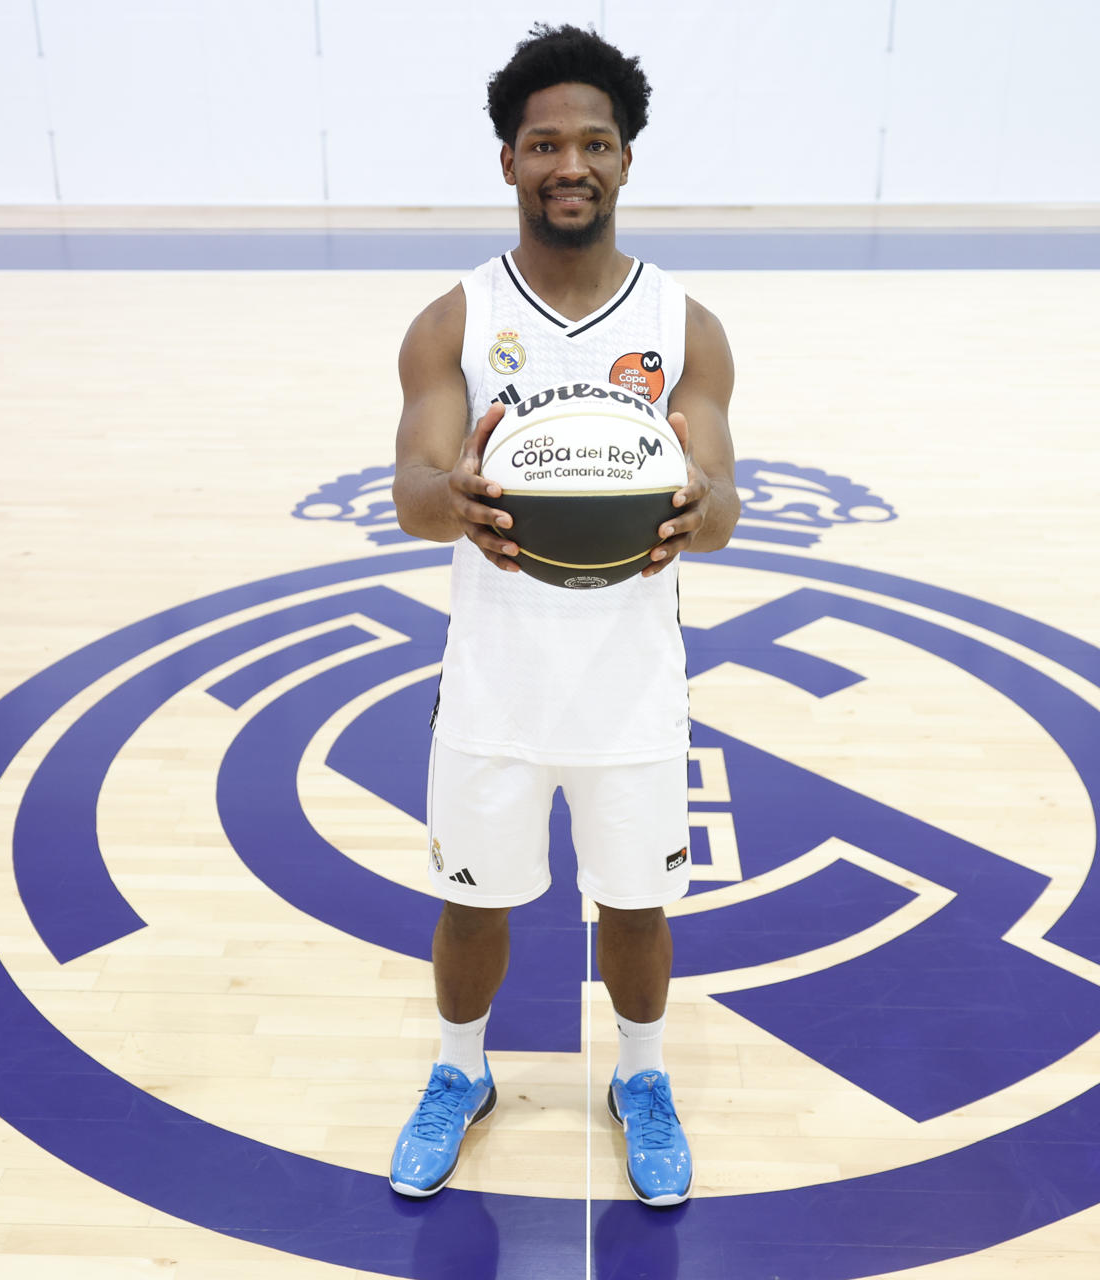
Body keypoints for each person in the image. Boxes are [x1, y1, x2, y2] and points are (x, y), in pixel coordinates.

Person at [386, 23, 738, 1208]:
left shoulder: (686, 323)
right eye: (546, 143)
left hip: (632, 678)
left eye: (595, 142)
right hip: (495, 676)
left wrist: (699, 506)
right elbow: (410, 495)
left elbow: (728, 499)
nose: (569, 163)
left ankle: (639, 1077)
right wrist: (460, 494)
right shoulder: (452, 319)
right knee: (474, 896)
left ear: (628, 160)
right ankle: (458, 1071)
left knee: (636, 900)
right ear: (508, 161)